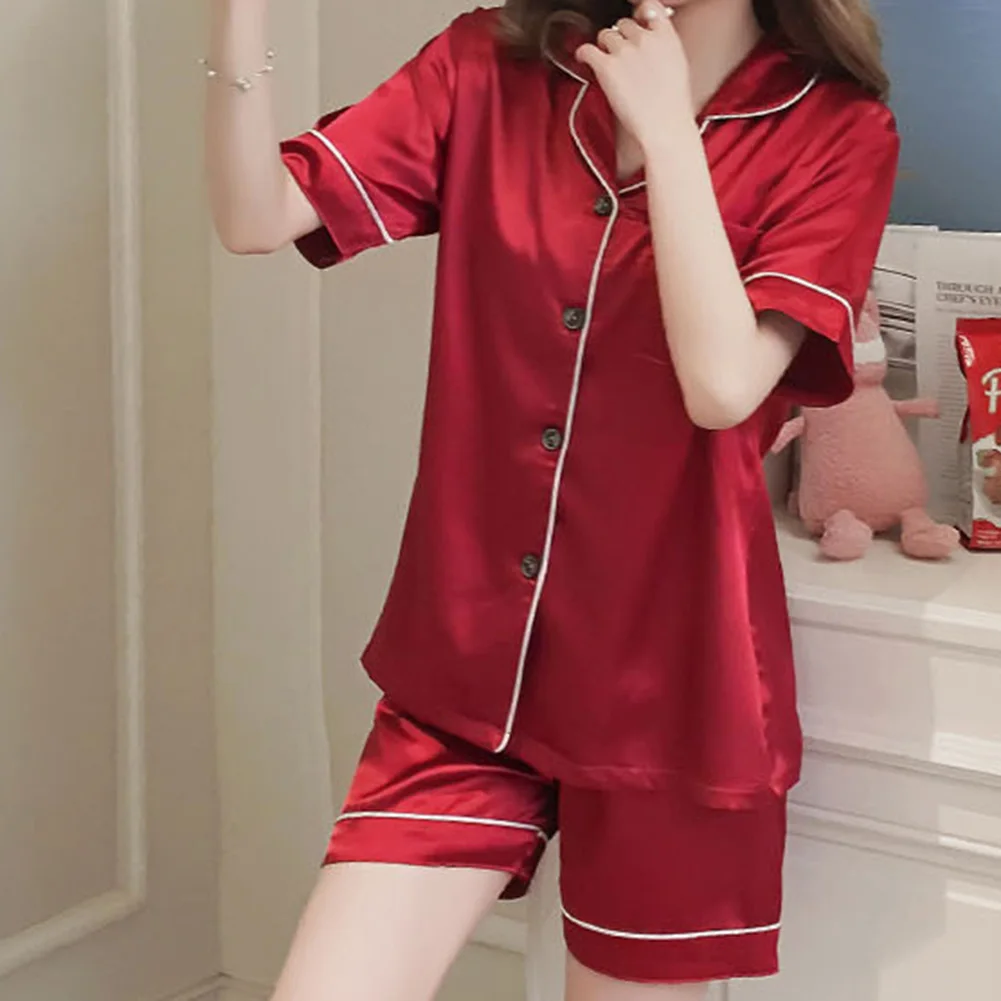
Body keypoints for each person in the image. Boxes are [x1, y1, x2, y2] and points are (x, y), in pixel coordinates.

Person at [205, 0, 898, 997]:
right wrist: (236, 17)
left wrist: (667, 133)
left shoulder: (836, 130)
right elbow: (255, 215)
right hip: (467, 673)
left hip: (668, 699)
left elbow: (721, 385)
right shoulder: (490, 63)